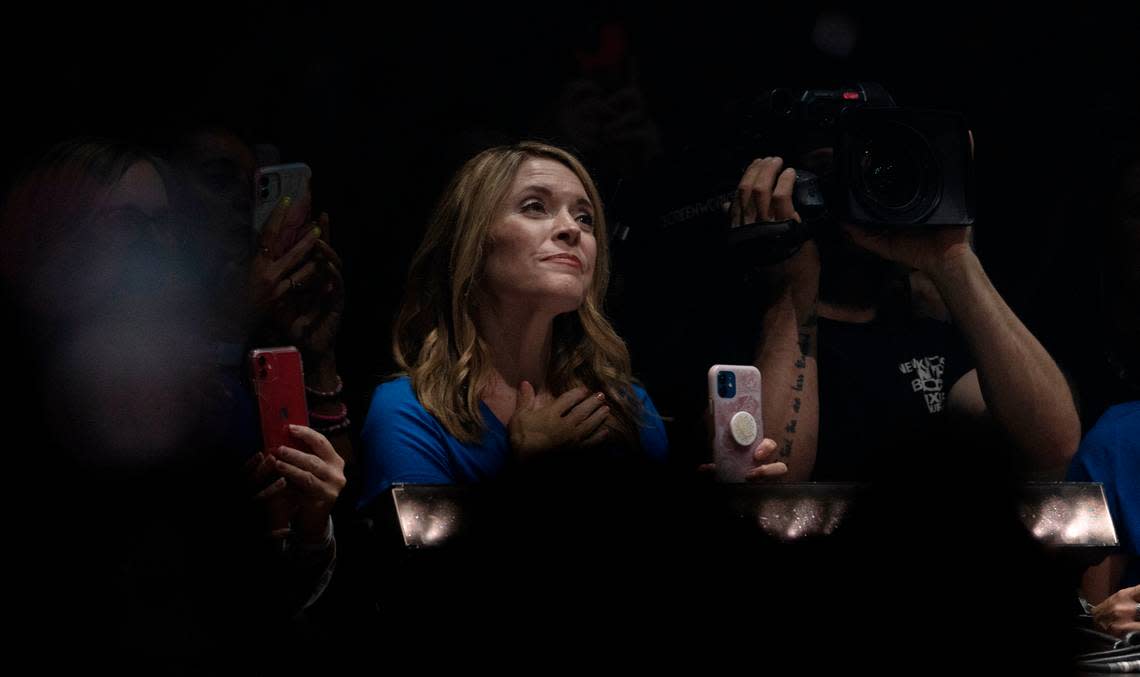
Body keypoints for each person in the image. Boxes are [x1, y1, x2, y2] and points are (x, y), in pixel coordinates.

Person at [0, 138, 345, 663]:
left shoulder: (190, 402)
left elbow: (250, 610)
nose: (157, 248)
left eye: (163, 224)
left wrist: (299, 529)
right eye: (128, 225)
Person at [358, 141, 786, 508]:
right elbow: (414, 587)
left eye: (584, 218)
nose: (571, 230)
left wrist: (715, 502)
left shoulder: (626, 406)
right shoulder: (410, 412)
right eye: (534, 207)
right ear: (472, 244)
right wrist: (525, 473)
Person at [740, 145, 1081, 482]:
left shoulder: (924, 333)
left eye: (870, 172)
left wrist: (952, 259)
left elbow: (1051, 447)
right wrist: (794, 290)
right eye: (829, 172)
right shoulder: (747, 333)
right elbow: (770, 489)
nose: (854, 192)